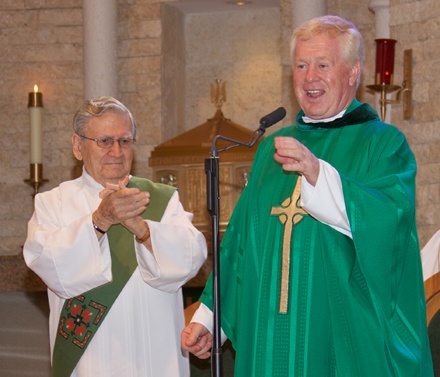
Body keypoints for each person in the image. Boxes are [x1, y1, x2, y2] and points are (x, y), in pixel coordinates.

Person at [181, 15, 434, 376]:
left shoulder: (382, 144)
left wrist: (320, 176)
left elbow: (390, 227)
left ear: (352, 73)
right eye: (301, 65)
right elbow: (240, 244)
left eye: (322, 65)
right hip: (270, 336)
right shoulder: (272, 150)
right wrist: (209, 318)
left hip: (340, 339)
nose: (310, 77)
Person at [23, 96, 207, 377]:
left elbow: (191, 260)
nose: (116, 151)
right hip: (90, 363)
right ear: (78, 146)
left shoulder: (161, 200)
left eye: (125, 141)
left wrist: (144, 230)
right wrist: (100, 221)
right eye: (105, 141)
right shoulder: (53, 204)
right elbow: (51, 267)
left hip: (157, 361)